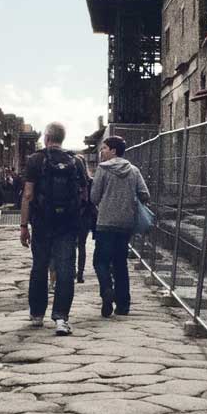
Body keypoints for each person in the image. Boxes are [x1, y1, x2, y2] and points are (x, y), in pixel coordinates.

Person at [21, 122, 90, 336]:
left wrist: (24, 225)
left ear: (47, 137)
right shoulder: (76, 161)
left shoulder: (35, 160)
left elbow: (28, 195)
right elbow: (85, 195)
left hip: (42, 222)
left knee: (39, 267)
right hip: (68, 224)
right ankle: (61, 318)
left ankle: (37, 315)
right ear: (62, 138)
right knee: (65, 270)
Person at [88, 135, 150, 318]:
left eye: (104, 148)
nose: (102, 152)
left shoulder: (102, 170)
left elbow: (94, 197)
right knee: (120, 263)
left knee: (100, 261)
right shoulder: (134, 170)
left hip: (106, 222)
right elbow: (145, 194)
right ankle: (123, 305)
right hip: (125, 224)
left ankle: (107, 289)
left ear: (113, 151)